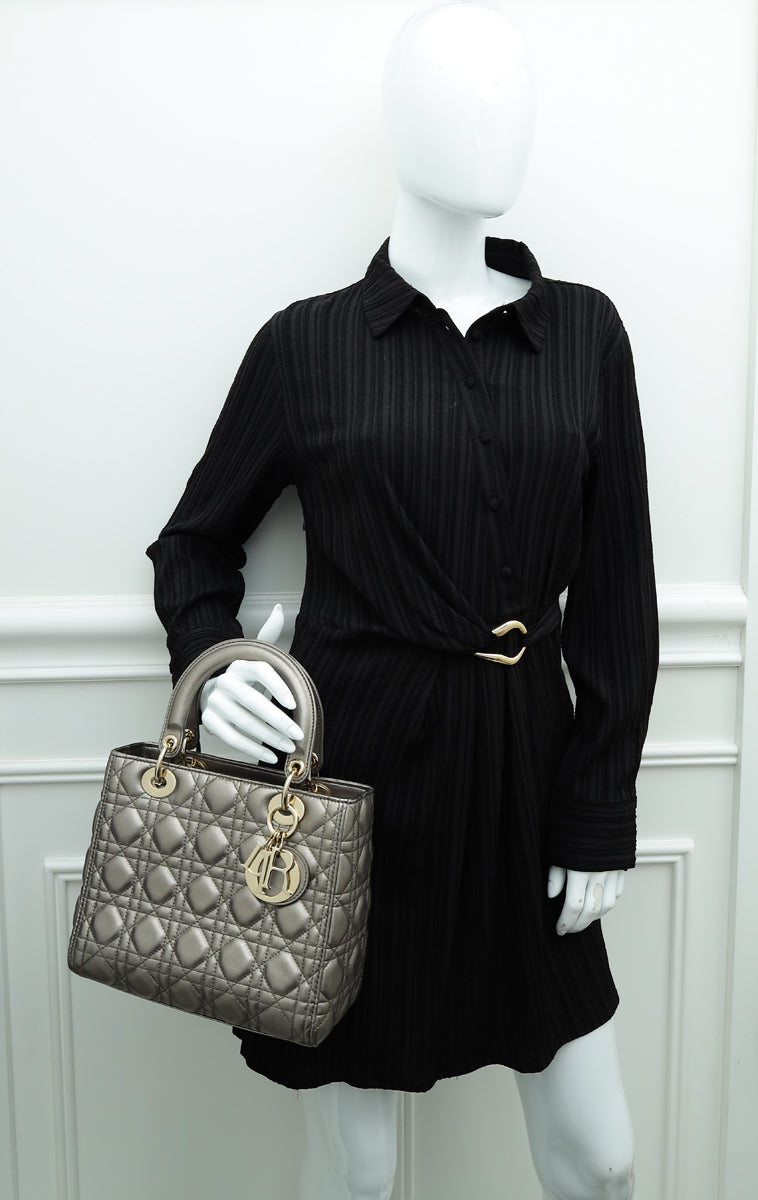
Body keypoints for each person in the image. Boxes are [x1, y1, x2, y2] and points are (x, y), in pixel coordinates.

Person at [146, 4, 658, 1197]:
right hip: (353, 777)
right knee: (359, 1165)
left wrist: (597, 804)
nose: (497, 124)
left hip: (527, 767)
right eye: (460, 96)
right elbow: (192, 546)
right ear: (397, 117)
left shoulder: (584, 333)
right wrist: (216, 670)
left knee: (602, 1157)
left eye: (513, 96)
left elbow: (618, 592)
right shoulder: (307, 346)